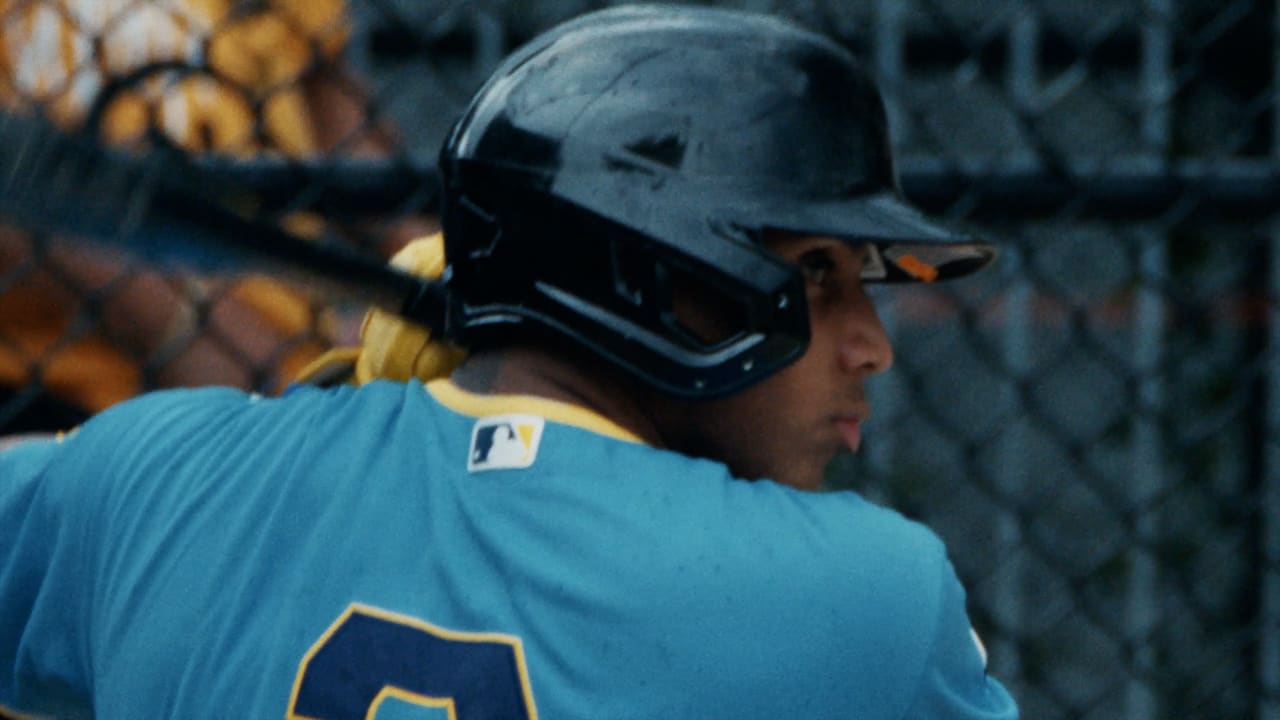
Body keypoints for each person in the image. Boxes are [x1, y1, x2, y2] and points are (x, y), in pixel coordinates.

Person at [0, 5, 1019, 719]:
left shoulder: (152, 480)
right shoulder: (863, 598)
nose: (870, 346)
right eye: (821, 276)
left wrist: (342, 420)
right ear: (662, 281)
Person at [0, 0, 394, 433]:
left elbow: (333, 111)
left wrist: (434, 285)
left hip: (288, 345)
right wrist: (180, 326)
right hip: (63, 384)